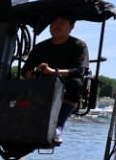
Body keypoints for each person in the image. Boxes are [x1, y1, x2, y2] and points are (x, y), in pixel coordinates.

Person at [22, 12, 90, 143]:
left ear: (71, 27)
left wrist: (54, 72)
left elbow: (80, 70)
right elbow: (25, 71)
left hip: (66, 84)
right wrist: (34, 72)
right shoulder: (40, 47)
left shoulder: (79, 45)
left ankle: (59, 125)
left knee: (76, 83)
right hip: (42, 83)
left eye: (62, 22)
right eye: (54, 22)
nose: (57, 25)